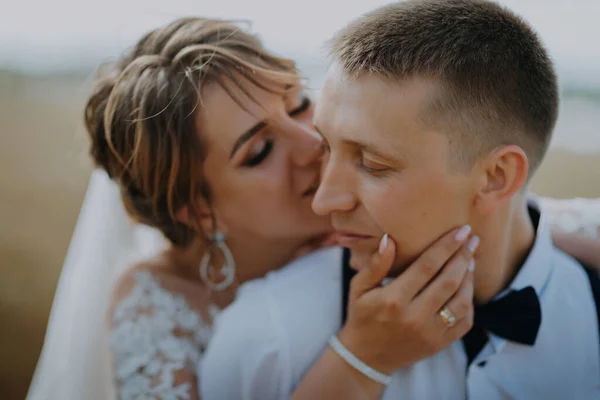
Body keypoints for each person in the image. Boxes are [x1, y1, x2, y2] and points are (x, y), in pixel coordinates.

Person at [26, 14, 599, 400]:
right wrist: (361, 357)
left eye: (297, 105)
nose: (312, 146)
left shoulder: (354, 214)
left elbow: (488, 206)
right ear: (199, 214)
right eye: (260, 151)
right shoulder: (159, 308)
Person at [200, 1, 600, 399]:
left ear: (496, 178)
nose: (323, 201)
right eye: (326, 146)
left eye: (372, 163)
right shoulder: (263, 339)